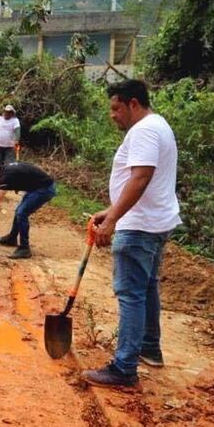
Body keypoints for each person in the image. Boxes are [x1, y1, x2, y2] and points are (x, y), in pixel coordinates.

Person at [83, 80, 181, 389]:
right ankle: (149, 348)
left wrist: (112, 220)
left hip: (139, 228)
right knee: (147, 286)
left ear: (133, 104)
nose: (112, 115)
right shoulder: (158, 125)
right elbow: (141, 181)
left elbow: (140, 178)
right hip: (154, 221)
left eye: (116, 108)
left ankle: (124, 368)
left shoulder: (144, 131)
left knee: (131, 294)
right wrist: (110, 210)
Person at [0, 161, 55, 259]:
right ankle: (12, 239)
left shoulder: (6, 176)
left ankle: (24, 248)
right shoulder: (1, 171)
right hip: (36, 188)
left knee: (22, 213)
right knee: (19, 211)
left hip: (45, 189)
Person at [0, 105, 21, 169]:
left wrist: (16, 140)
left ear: (12, 113)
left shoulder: (15, 121)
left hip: (9, 146)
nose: (7, 113)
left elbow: (17, 131)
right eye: (6, 112)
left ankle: (7, 176)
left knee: (8, 164)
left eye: (9, 112)